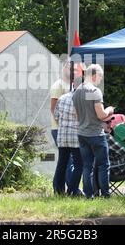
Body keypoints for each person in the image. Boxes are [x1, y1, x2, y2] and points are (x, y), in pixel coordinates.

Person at [72, 64, 114, 198]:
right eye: (100, 77)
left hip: (82, 133)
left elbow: (77, 115)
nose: (100, 80)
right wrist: (109, 110)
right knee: (103, 165)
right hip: (95, 134)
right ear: (94, 75)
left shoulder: (77, 91)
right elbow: (101, 114)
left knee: (87, 166)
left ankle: (88, 195)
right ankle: (105, 195)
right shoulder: (94, 92)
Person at [53, 78, 83, 196]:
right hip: (75, 136)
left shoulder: (62, 97)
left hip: (62, 136)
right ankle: (72, 190)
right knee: (78, 164)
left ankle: (58, 190)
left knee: (62, 163)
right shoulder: (82, 99)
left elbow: (56, 116)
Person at [50, 60, 73, 188]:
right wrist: (63, 124)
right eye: (70, 67)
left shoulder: (72, 85)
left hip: (66, 129)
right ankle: (68, 188)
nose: (72, 70)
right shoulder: (58, 85)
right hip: (59, 129)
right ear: (64, 68)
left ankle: (60, 188)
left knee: (65, 160)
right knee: (67, 159)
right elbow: (53, 108)